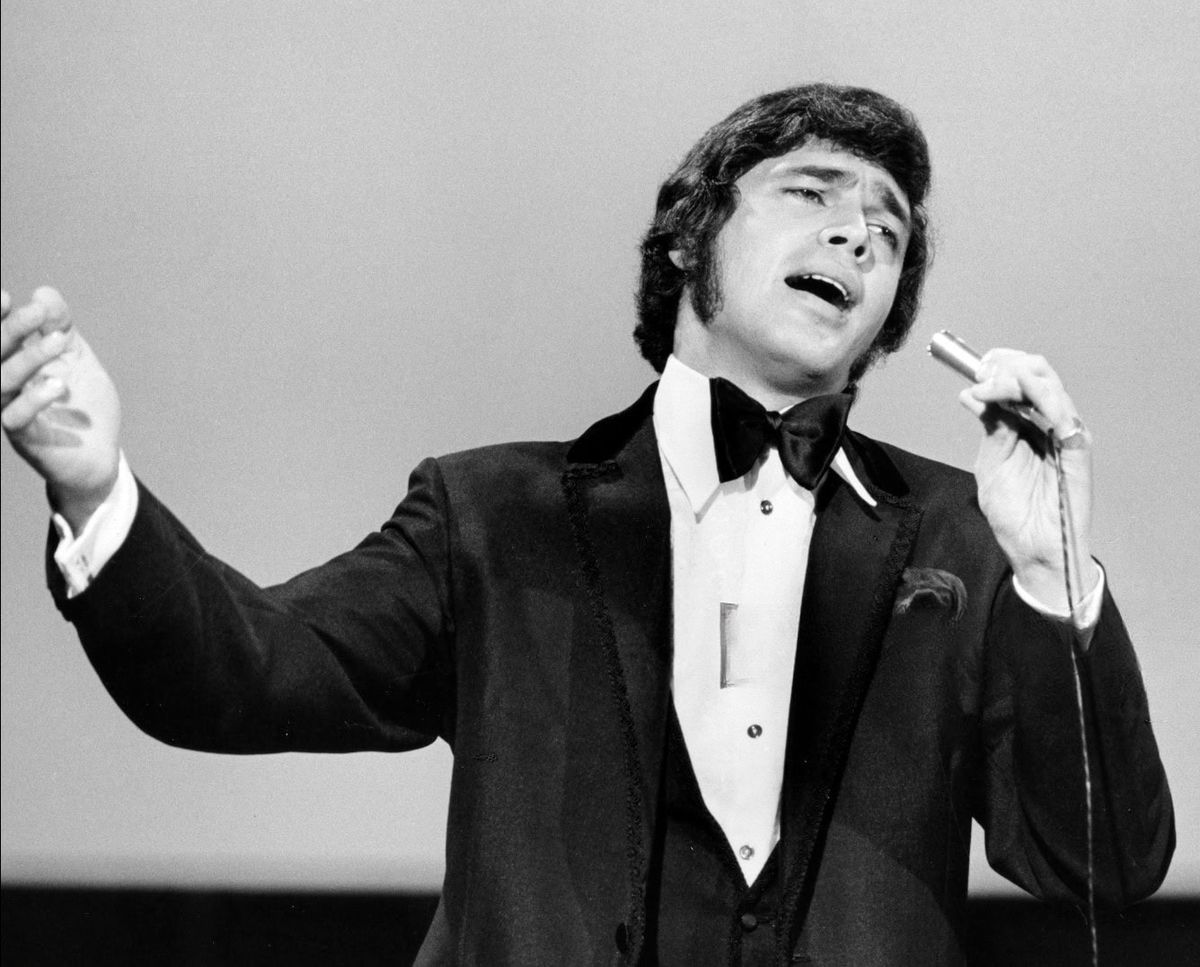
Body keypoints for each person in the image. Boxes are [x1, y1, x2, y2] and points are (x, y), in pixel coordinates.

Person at [0, 84, 1173, 966]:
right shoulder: (489, 515)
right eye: (812, 193)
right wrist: (98, 492)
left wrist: (1054, 571)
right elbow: (245, 673)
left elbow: (1106, 865)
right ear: (688, 236)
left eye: (890, 229)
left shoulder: (965, 538)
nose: (860, 234)